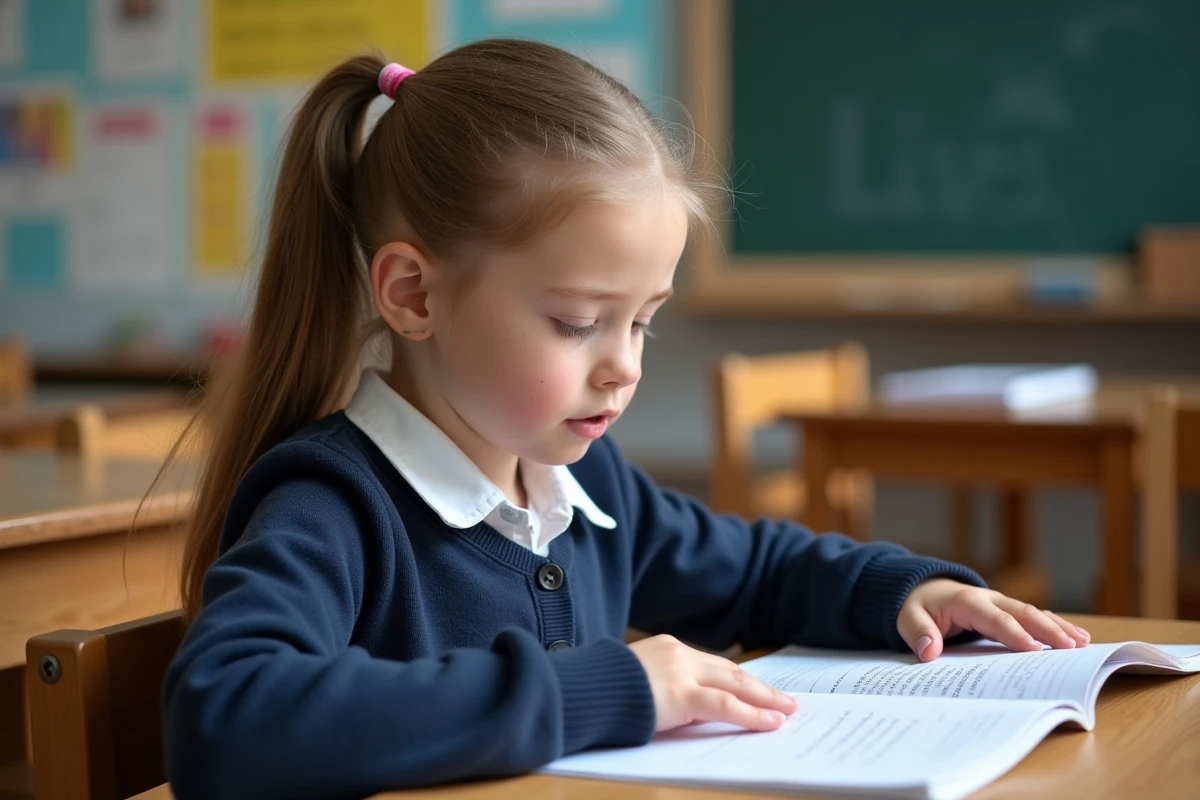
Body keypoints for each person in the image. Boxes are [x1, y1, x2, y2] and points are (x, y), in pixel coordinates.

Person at [163, 40, 1089, 800]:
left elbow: (758, 571)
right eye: (577, 322)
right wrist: (605, 688)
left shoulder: (584, 486)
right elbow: (229, 715)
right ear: (412, 294)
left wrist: (897, 592)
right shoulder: (333, 501)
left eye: (643, 320)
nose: (626, 365)